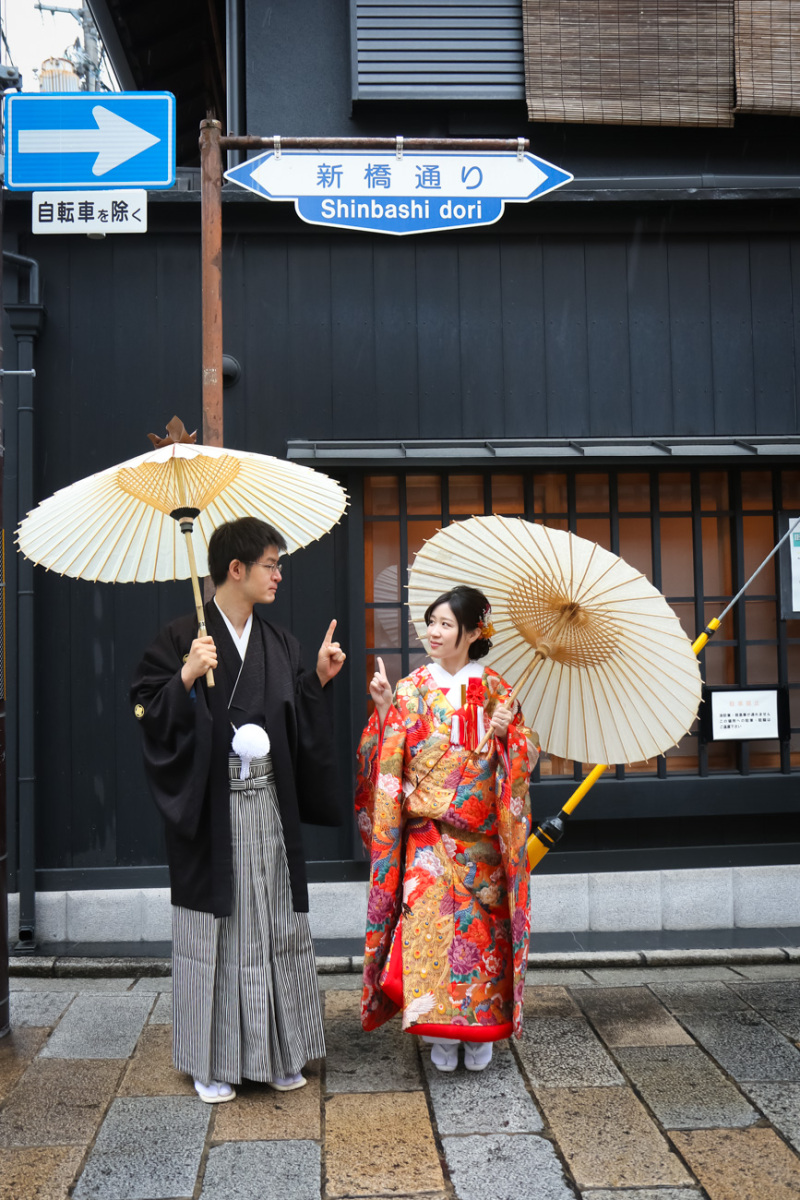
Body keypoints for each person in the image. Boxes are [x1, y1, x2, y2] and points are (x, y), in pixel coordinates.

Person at [131, 516, 345, 1103]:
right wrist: (184, 675)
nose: (278, 576)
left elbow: (292, 716)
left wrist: (317, 678)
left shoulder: (281, 643)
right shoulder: (182, 637)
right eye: (271, 565)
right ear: (236, 569)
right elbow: (146, 711)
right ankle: (212, 1061)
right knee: (215, 933)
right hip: (211, 808)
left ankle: (278, 1050)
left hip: (269, 803)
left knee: (275, 925)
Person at [355, 585, 537, 1073]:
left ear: (474, 632)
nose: (433, 632)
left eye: (446, 624)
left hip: (482, 841)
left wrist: (510, 738)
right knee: (429, 932)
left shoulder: (497, 691)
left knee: (482, 937)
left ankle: (482, 1028)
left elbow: (524, 759)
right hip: (428, 837)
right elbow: (387, 756)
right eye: (431, 622)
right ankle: (437, 1027)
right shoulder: (411, 688)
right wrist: (384, 709)